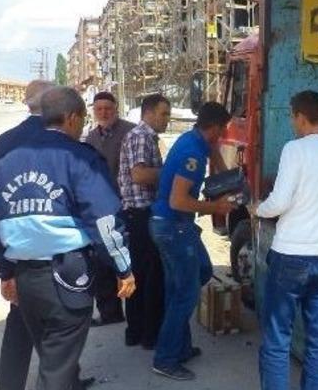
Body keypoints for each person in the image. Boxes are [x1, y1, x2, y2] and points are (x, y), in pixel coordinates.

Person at [0, 86, 136, 390]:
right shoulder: (79, 157)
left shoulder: (8, 160)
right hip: (68, 275)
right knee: (56, 370)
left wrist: (6, 272)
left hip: (25, 279)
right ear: (72, 118)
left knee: (53, 363)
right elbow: (105, 222)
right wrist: (123, 268)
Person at [255, 91, 318, 390]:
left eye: (291, 116)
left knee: (277, 338)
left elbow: (280, 201)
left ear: (299, 116)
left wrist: (257, 209)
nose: (292, 122)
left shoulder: (294, 150)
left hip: (291, 258)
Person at [149, 101, 235, 381]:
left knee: (199, 274)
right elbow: (178, 199)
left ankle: (180, 346)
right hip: (173, 227)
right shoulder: (192, 153)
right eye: (222, 131)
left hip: (175, 226)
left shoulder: (196, 140)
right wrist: (217, 208)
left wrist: (223, 173)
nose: (222, 137)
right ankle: (165, 358)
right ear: (214, 127)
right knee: (185, 295)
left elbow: (215, 156)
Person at [0, 79, 55, 390]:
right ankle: (64, 380)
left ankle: (10, 385)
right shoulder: (60, 139)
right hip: (56, 246)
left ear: (27, 103)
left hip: (18, 245)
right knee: (60, 323)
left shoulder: (6, 140)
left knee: (22, 317)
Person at [118, 93, 171, 349]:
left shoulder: (144, 137)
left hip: (138, 215)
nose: (167, 119)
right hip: (141, 215)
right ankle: (149, 335)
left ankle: (136, 331)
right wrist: (170, 173)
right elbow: (139, 175)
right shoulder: (141, 136)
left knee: (139, 274)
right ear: (148, 113)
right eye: (164, 114)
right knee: (151, 276)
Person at [84, 91, 136, 326]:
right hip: (100, 209)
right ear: (94, 111)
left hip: (127, 205)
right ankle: (110, 312)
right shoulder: (91, 138)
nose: (104, 112)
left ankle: (136, 311)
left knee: (129, 258)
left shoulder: (130, 132)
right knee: (101, 261)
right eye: (99, 109)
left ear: (116, 109)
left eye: (108, 108)